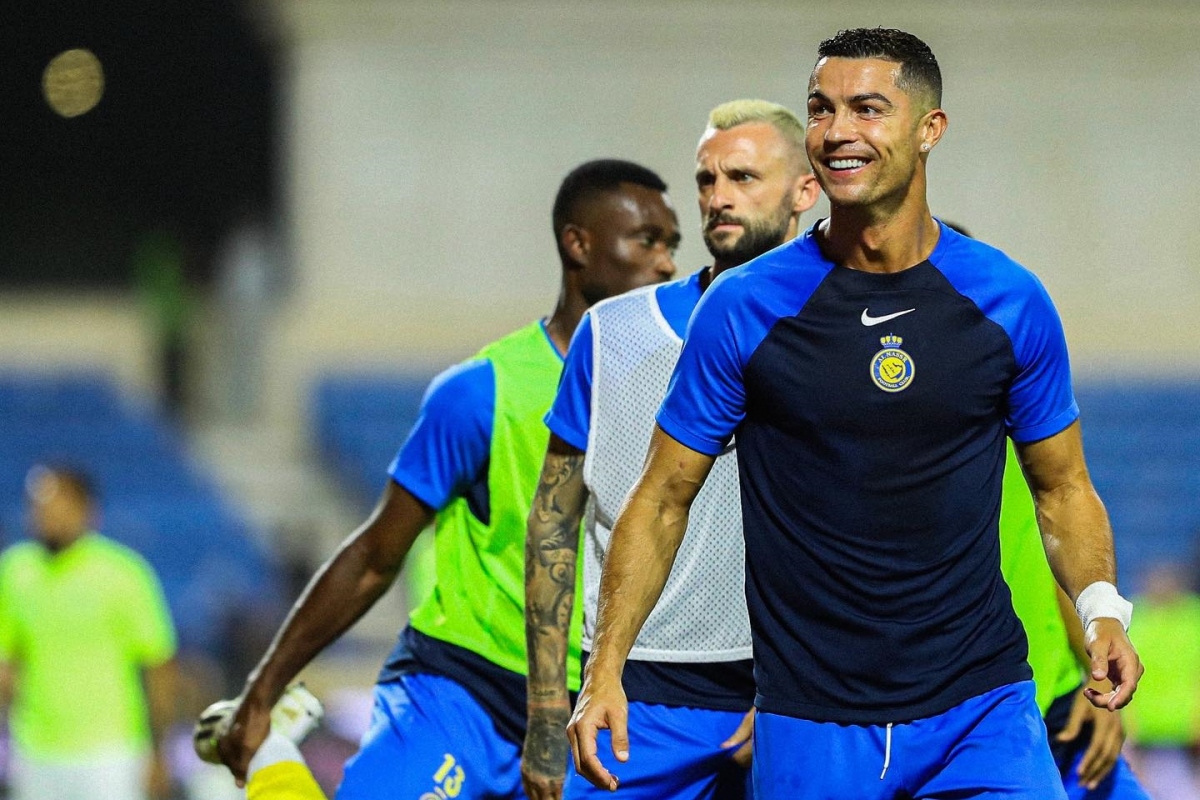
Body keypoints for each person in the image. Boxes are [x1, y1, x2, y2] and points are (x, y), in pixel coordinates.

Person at [566, 28, 1143, 799]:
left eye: (867, 109)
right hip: (812, 723)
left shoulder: (1009, 301)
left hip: (981, 710)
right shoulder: (746, 307)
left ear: (929, 129)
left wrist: (1104, 612)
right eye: (821, 109)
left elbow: (1063, 489)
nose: (837, 132)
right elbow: (662, 498)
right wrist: (605, 669)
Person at [214, 159, 680, 799]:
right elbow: (377, 555)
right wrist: (262, 691)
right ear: (579, 245)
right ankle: (273, 753)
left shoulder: (683, 395)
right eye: (647, 241)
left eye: (672, 246)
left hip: (595, 708)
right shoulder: (481, 393)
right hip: (464, 691)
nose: (666, 264)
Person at [522, 99, 819, 800]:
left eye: (743, 179)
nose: (719, 199)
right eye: (708, 181)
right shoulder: (613, 331)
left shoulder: (844, 337)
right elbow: (553, 522)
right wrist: (546, 708)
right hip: (635, 696)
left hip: (787, 702)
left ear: (805, 190)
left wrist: (797, 686)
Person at [0, 465, 178, 800]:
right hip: (35, 750)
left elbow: (158, 668)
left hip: (110, 751)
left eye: (58, 505)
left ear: (87, 509)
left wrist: (159, 751)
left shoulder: (124, 572)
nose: (47, 516)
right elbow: (7, 662)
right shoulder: (14, 571)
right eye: (39, 507)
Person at [999, 441, 1149, 800]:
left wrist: (1092, 674)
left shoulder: (1008, 405)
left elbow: (1048, 544)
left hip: (1062, 702)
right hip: (977, 718)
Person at [1122, 563, 1200, 800]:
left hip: (1186, 735)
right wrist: (1127, 724)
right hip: (1145, 734)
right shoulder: (1135, 620)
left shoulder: (1193, 620)